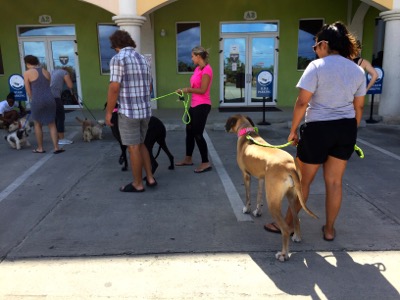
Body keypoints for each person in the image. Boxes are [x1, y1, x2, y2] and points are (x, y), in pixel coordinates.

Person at [264, 21, 366, 241]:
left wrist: (292, 131)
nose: (315, 51)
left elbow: (302, 103)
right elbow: (359, 107)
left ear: (324, 44)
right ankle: (329, 229)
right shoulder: (357, 70)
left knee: (302, 182)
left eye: (315, 46)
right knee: (335, 182)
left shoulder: (316, 67)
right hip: (346, 128)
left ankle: (288, 226)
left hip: (318, 128)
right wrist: (351, 131)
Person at [105, 30, 156, 192]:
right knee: (142, 144)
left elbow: (114, 87)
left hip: (128, 112)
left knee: (133, 147)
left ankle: (137, 183)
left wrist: (108, 112)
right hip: (145, 111)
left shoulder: (118, 59)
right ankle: (150, 177)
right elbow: (149, 87)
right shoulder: (143, 59)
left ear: (115, 45)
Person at [175, 46, 213, 173]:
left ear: (198, 56)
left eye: (192, 56)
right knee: (189, 132)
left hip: (202, 106)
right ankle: (188, 158)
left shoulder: (207, 70)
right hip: (194, 105)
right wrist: (183, 93)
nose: (191, 59)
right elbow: (194, 87)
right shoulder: (197, 69)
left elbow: (202, 90)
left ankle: (205, 162)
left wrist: (187, 90)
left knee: (198, 134)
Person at [23, 55, 64, 154]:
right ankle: (56, 147)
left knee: (37, 124)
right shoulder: (46, 71)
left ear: (27, 63)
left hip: (37, 100)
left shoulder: (27, 73)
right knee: (52, 124)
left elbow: (28, 90)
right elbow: (47, 85)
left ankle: (40, 148)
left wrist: (33, 99)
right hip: (50, 99)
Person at [50, 67, 74, 145]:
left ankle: (56, 137)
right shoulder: (65, 73)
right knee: (61, 117)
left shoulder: (54, 72)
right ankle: (61, 138)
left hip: (47, 96)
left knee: (55, 117)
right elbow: (70, 85)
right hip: (55, 96)